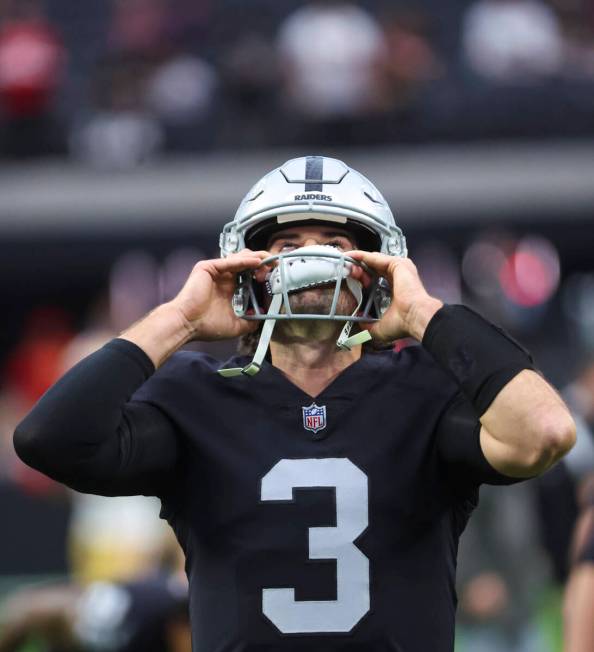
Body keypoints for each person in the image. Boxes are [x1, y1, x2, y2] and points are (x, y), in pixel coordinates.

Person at [14, 156, 576, 651]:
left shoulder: (424, 388)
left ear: (379, 268)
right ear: (248, 269)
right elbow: (49, 440)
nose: (311, 261)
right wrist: (178, 320)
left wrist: (426, 314)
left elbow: (545, 433)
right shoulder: (196, 394)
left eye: (335, 246)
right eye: (287, 246)